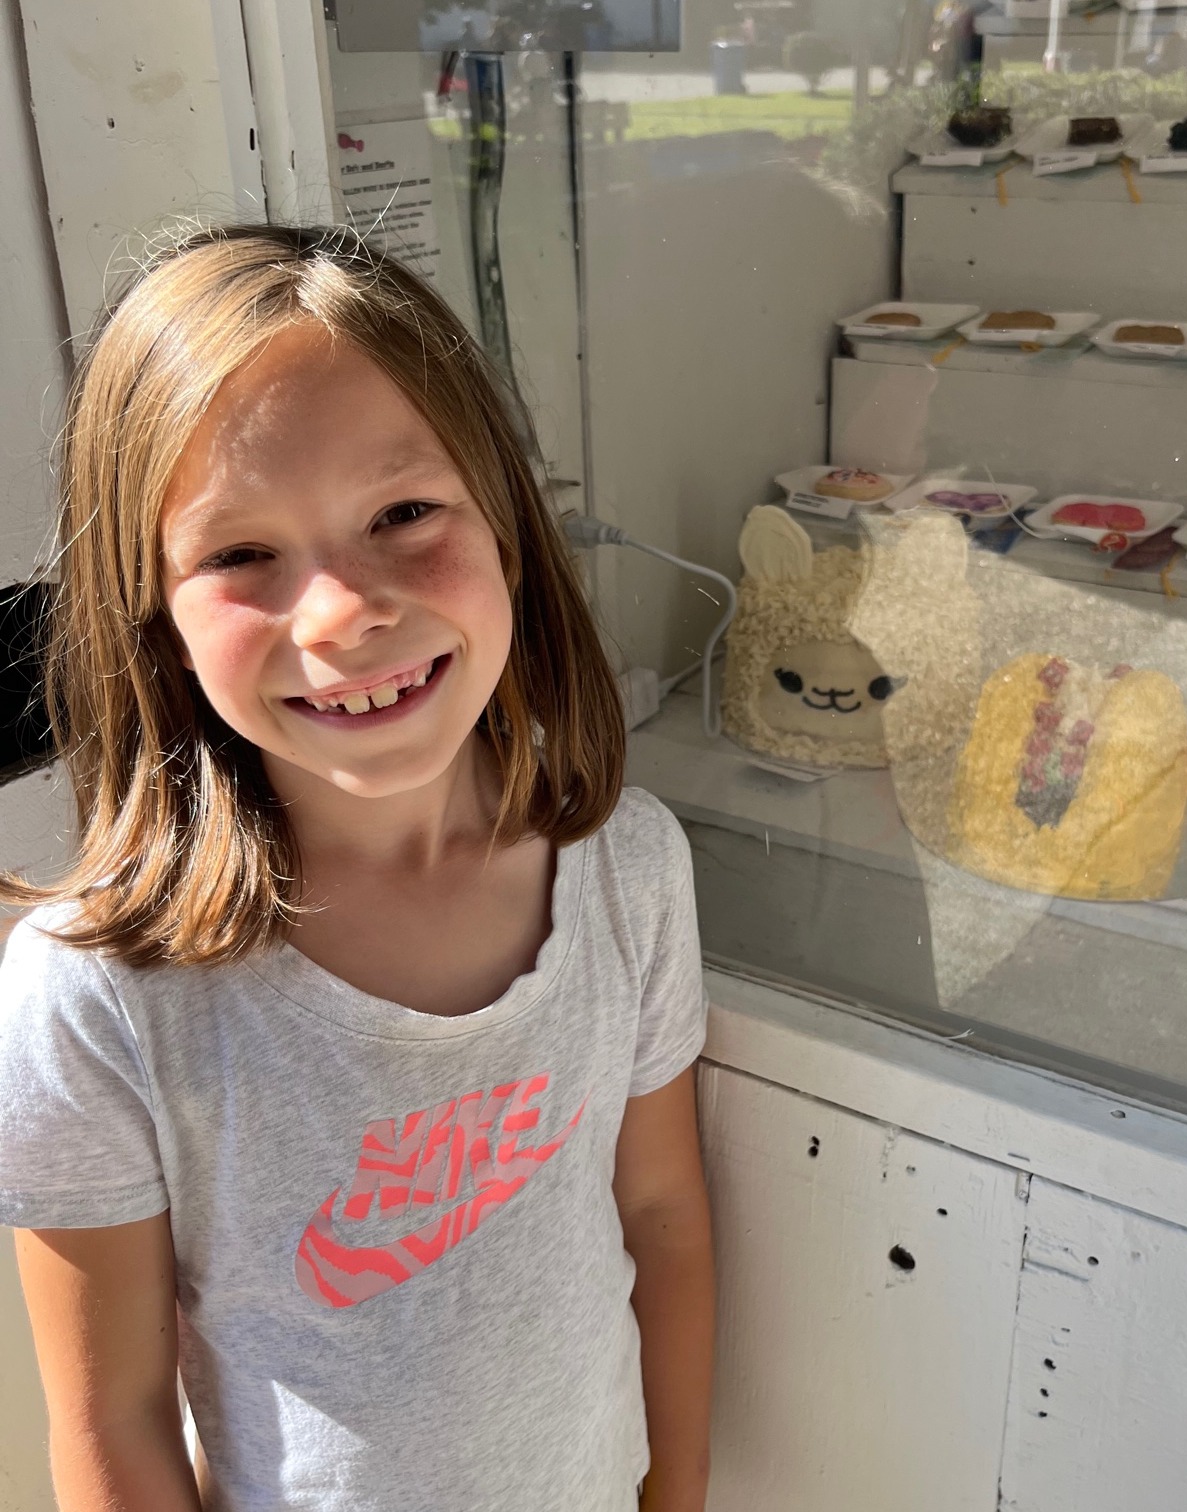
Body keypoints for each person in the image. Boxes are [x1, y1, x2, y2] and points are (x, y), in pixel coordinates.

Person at [0, 223, 714, 1512]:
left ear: (505, 522)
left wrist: (682, 1493)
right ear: (150, 612)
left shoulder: (631, 873)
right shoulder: (99, 995)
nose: (340, 610)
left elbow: (661, 1215)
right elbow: (109, 1418)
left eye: (402, 513)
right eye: (240, 555)